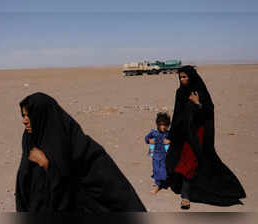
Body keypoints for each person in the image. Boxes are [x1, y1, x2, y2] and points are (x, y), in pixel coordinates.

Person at [15, 92, 146, 213]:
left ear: (41, 116)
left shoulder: (78, 147)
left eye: (29, 115)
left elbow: (99, 189)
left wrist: (48, 166)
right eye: (23, 115)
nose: (24, 120)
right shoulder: (30, 142)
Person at [165, 65, 246, 209]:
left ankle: (186, 196)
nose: (182, 80)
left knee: (192, 162)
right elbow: (177, 113)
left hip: (197, 135)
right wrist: (172, 134)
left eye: (185, 77)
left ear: (191, 77)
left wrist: (197, 103)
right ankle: (184, 189)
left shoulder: (200, 91)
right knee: (179, 160)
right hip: (183, 134)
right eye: (180, 77)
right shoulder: (180, 92)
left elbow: (208, 111)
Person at [145, 112, 171, 195]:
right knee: (156, 170)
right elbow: (146, 138)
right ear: (157, 125)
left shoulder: (169, 134)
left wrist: (169, 141)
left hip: (165, 156)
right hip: (155, 155)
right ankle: (157, 185)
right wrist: (149, 141)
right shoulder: (153, 133)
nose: (163, 127)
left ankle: (164, 182)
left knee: (164, 170)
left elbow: (175, 141)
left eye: (165, 125)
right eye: (161, 125)